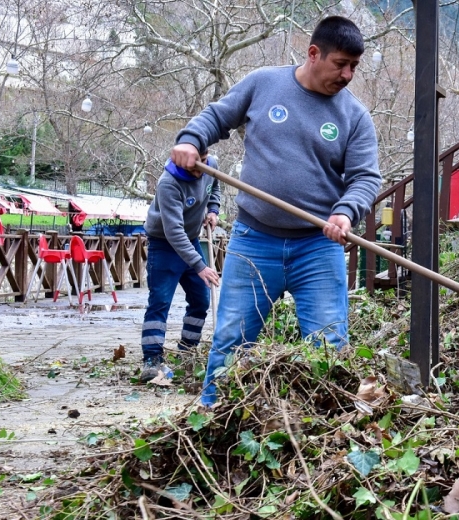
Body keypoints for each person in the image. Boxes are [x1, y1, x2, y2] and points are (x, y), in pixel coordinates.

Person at [169, 16, 381, 406]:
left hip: (318, 248)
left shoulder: (355, 117)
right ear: (313, 53)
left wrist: (346, 213)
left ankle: (325, 430)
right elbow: (216, 116)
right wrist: (191, 140)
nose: (348, 74)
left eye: (355, 66)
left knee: (329, 346)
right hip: (254, 242)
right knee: (231, 340)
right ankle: (212, 416)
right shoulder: (264, 83)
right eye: (341, 64)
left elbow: (366, 178)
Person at [139, 155, 222, 383]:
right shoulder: (169, 183)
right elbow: (174, 232)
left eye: (203, 161)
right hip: (164, 242)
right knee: (160, 301)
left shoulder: (210, 165)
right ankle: (152, 359)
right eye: (194, 165)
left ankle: (187, 351)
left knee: (200, 300)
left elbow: (215, 186)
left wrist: (213, 209)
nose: (199, 170)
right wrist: (200, 266)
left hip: (192, 238)